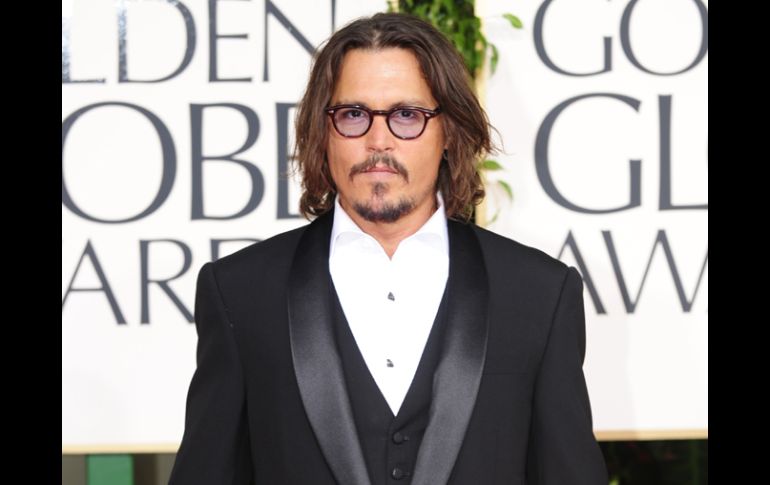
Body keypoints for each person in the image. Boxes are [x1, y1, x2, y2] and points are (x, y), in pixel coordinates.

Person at [169, 12, 607, 485]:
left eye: (407, 115)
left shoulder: (540, 294)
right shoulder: (238, 292)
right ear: (323, 132)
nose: (378, 141)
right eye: (353, 115)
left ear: (449, 132)